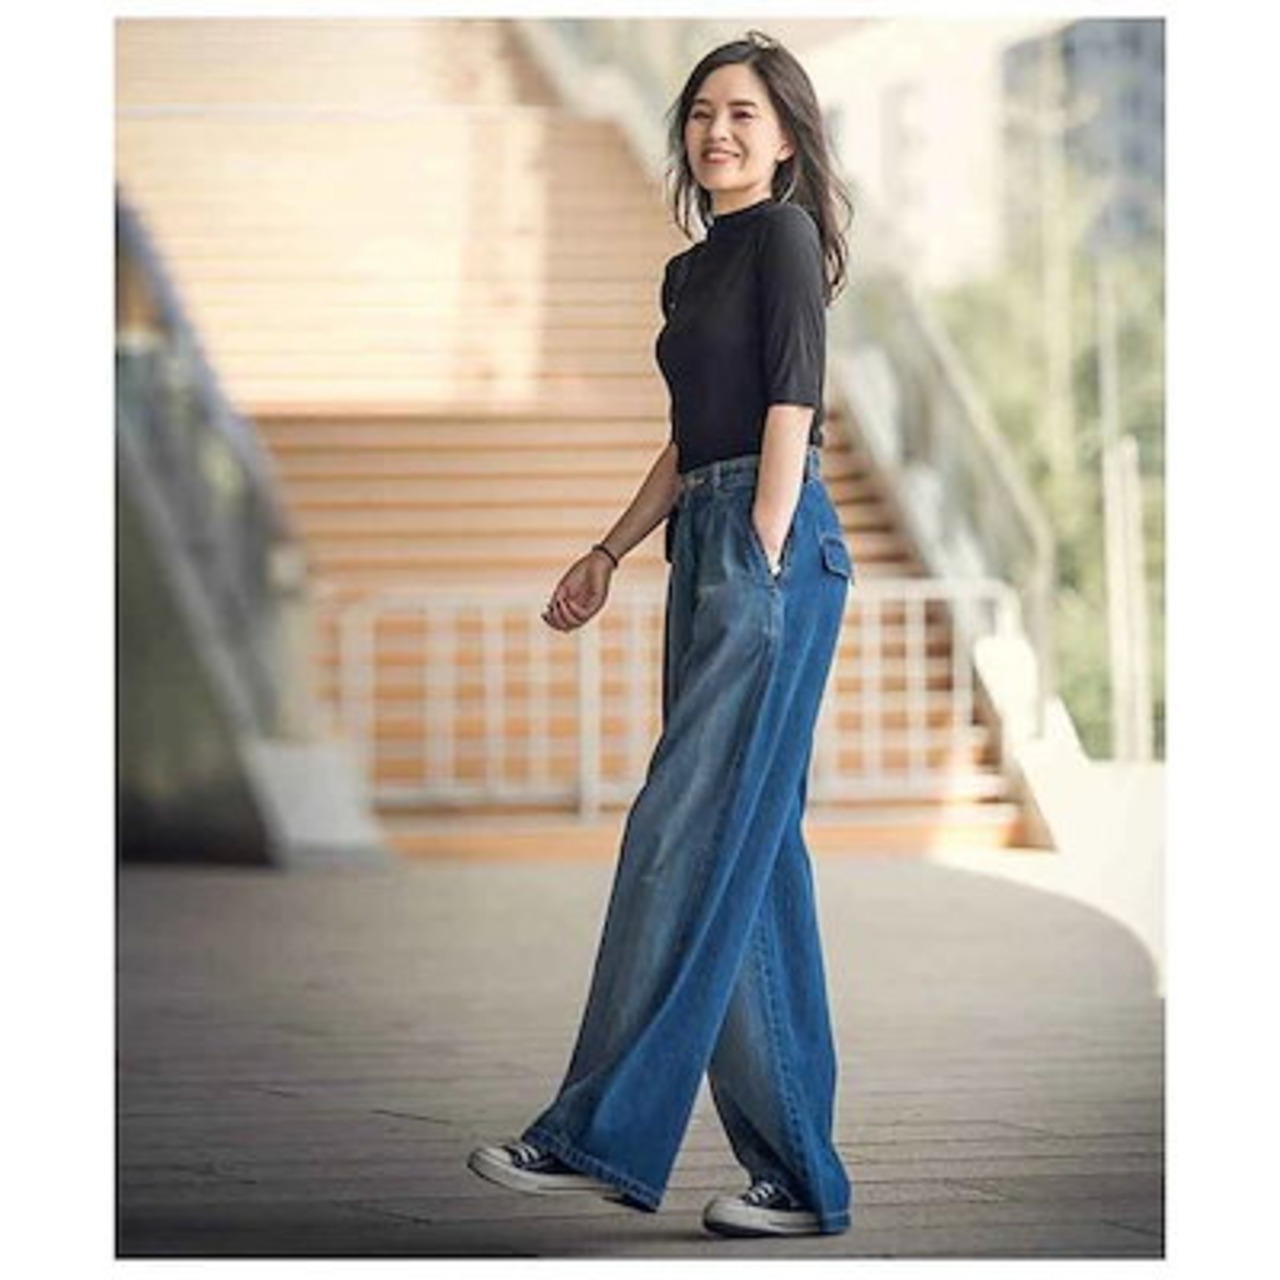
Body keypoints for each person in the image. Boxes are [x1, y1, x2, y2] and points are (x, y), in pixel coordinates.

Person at [468, 29, 856, 1239]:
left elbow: (790, 400)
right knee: (751, 855)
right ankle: (798, 1178)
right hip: (707, 538)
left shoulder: (782, 237)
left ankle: (591, 1130)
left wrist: (763, 553)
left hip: (765, 547)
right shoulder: (689, 272)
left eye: (741, 114)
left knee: (677, 830)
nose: (715, 131)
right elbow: (693, 435)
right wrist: (609, 548)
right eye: (699, 113)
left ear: (784, 140)